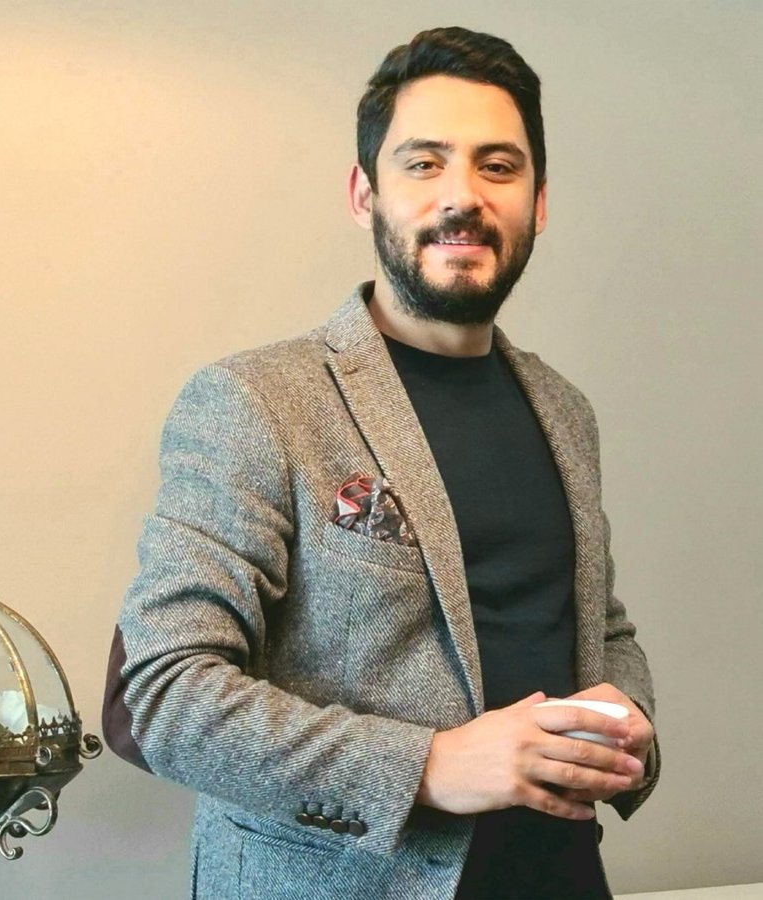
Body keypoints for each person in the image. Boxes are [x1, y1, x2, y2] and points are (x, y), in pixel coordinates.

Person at [103, 26, 659, 899]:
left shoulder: (564, 410)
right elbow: (162, 695)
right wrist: (427, 766)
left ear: (538, 202)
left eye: (497, 167)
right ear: (365, 194)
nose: (462, 196)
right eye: (423, 163)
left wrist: (630, 722)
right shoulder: (255, 401)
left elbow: (599, 620)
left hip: (559, 875)